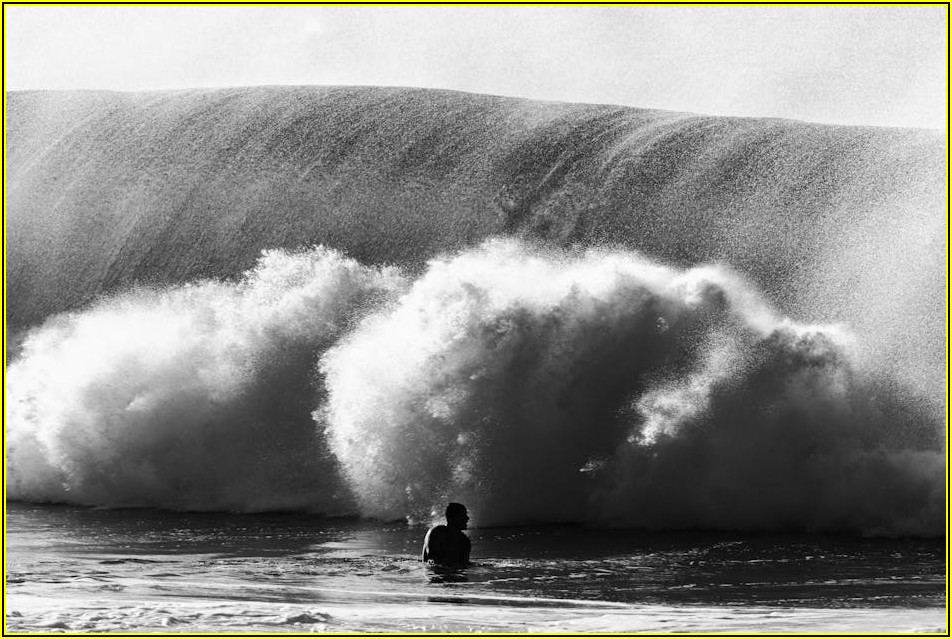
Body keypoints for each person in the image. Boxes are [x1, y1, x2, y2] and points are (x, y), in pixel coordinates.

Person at [421, 502, 471, 568]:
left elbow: (464, 564)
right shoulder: (436, 532)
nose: (467, 518)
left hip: (451, 572)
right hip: (432, 573)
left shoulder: (464, 540)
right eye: (464, 515)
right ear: (455, 517)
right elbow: (432, 560)